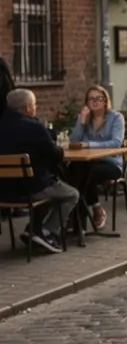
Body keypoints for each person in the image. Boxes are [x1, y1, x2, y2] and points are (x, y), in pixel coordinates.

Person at [0, 88, 78, 254]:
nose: (35, 108)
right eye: (34, 105)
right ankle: (47, 231)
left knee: (51, 191)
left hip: (4, 192)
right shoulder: (34, 127)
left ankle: (33, 229)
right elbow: (55, 155)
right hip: (31, 189)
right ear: (28, 107)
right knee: (71, 194)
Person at [68, 85, 125, 231]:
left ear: (105, 100)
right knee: (73, 169)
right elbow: (74, 141)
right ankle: (84, 216)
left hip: (111, 162)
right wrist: (81, 122)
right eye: (91, 99)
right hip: (88, 162)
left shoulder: (116, 118)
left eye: (98, 98)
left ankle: (79, 219)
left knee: (82, 175)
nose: (95, 102)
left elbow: (116, 142)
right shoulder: (85, 117)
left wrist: (89, 144)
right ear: (86, 101)